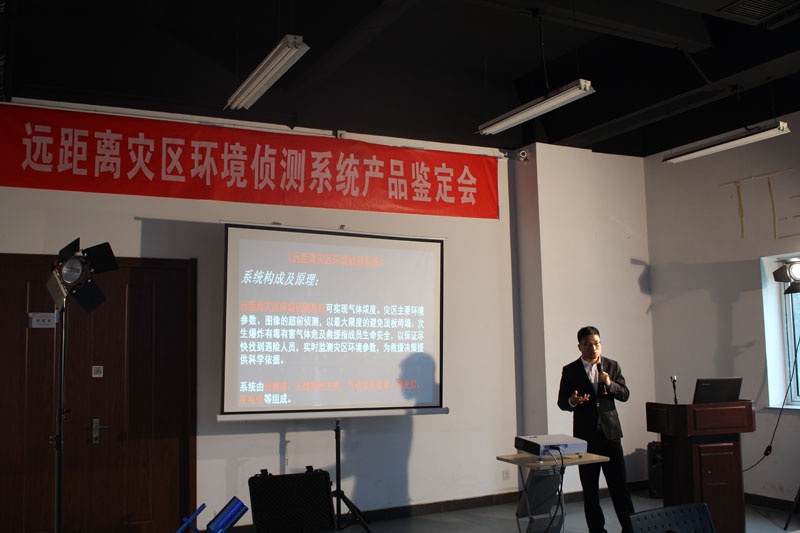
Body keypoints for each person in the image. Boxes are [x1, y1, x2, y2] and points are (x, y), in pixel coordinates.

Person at [557, 326, 635, 533]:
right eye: (588, 345)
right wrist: (573, 401)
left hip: (611, 436)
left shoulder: (612, 365)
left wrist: (610, 383)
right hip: (586, 438)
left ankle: (631, 529)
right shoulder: (570, 370)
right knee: (590, 491)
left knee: (620, 489)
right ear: (580, 347)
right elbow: (562, 402)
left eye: (597, 343)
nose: (593, 348)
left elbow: (625, 394)